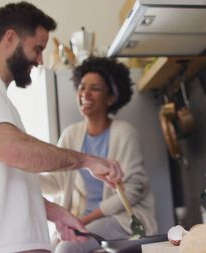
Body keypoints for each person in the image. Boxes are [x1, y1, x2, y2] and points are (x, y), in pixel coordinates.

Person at [0, 2, 124, 253]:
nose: (40, 60)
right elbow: (14, 151)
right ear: (10, 37)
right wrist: (85, 160)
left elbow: (3, 181)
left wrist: (56, 213)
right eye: (37, 49)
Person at [40, 56, 158, 253]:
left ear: (110, 98)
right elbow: (56, 182)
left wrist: (82, 220)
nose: (85, 93)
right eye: (82, 87)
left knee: (65, 250)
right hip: (82, 219)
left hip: (120, 219)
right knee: (46, 248)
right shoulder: (71, 134)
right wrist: (22, 171)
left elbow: (134, 188)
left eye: (94, 88)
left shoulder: (124, 132)